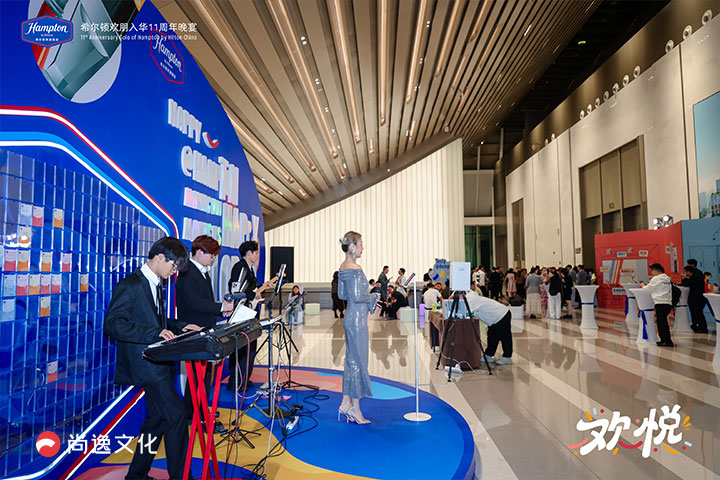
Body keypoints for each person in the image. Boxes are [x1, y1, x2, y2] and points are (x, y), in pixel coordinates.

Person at [104, 237, 202, 480]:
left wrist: (180, 326)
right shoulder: (131, 285)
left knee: (156, 421)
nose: (174, 271)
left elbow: (156, 321)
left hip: (157, 363)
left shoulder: (156, 283)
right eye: (174, 265)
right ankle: (181, 476)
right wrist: (154, 333)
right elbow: (113, 324)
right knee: (176, 416)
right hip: (145, 366)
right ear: (160, 257)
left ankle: (136, 474)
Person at [176, 235, 233, 421]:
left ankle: (196, 412)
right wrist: (220, 307)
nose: (213, 259)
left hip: (204, 328)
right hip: (193, 330)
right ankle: (195, 414)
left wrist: (220, 311)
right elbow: (193, 301)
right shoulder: (187, 272)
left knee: (203, 376)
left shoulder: (203, 271)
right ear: (199, 252)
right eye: (211, 254)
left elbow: (204, 302)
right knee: (197, 377)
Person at [337, 231, 378, 424]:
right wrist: (373, 296)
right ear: (352, 246)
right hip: (357, 321)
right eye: (361, 244)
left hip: (351, 317)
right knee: (358, 362)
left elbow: (342, 295)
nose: (363, 248)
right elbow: (356, 296)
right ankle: (355, 408)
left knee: (351, 360)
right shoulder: (355, 268)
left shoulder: (343, 267)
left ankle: (346, 402)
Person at [227, 240, 270, 390]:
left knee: (250, 347)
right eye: (256, 253)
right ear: (249, 253)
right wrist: (252, 295)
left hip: (249, 312)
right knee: (242, 348)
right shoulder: (240, 267)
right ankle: (236, 382)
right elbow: (235, 291)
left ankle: (244, 379)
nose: (258, 256)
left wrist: (261, 288)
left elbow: (249, 289)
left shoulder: (250, 269)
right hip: (241, 314)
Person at [466, 294, 513, 365]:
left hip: (501, 315)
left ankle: (507, 357)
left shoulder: (471, 301)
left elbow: (466, 312)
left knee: (504, 336)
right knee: (492, 336)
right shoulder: (471, 298)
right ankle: (489, 355)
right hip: (495, 318)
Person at [641, 263, 674, 347]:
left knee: (661, 323)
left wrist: (643, 286)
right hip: (667, 302)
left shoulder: (656, 278)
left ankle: (665, 341)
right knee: (664, 322)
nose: (651, 272)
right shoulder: (666, 278)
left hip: (660, 302)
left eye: (652, 271)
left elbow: (648, 289)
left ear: (655, 271)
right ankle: (667, 340)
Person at [682, 263, 708, 333]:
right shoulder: (694, 276)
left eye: (686, 272)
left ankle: (703, 328)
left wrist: (684, 279)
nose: (686, 274)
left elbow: (686, 284)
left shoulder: (695, 277)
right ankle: (696, 326)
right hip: (696, 298)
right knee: (695, 312)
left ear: (688, 272)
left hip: (697, 298)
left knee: (698, 313)